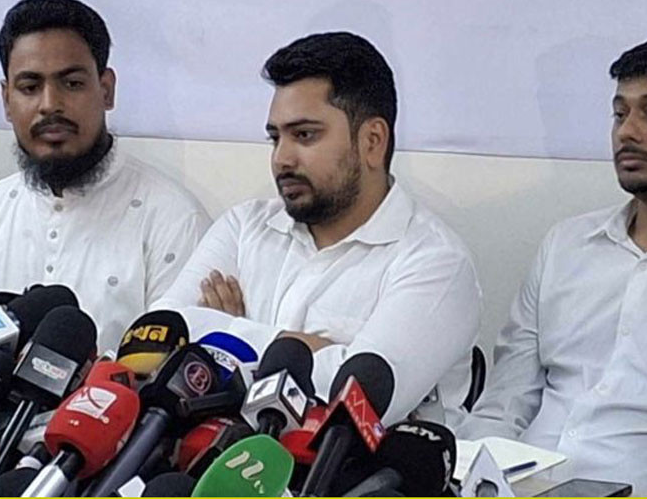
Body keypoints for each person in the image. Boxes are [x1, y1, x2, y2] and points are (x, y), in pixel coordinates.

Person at [459, 33, 647, 496]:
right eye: (620, 114)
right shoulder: (566, 245)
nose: (627, 132)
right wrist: (471, 481)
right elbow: (505, 403)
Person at [153, 31, 482, 424]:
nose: (281, 158)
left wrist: (225, 337)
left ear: (372, 141)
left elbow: (360, 404)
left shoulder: (436, 262)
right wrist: (318, 350)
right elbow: (156, 340)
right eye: (275, 137)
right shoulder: (243, 227)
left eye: (304, 135)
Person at [0, 0, 209, 354]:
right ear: (7, 100)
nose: (50, 104)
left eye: (71, 84)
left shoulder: (173, 219)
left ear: (106, 90)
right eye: (29, 87)